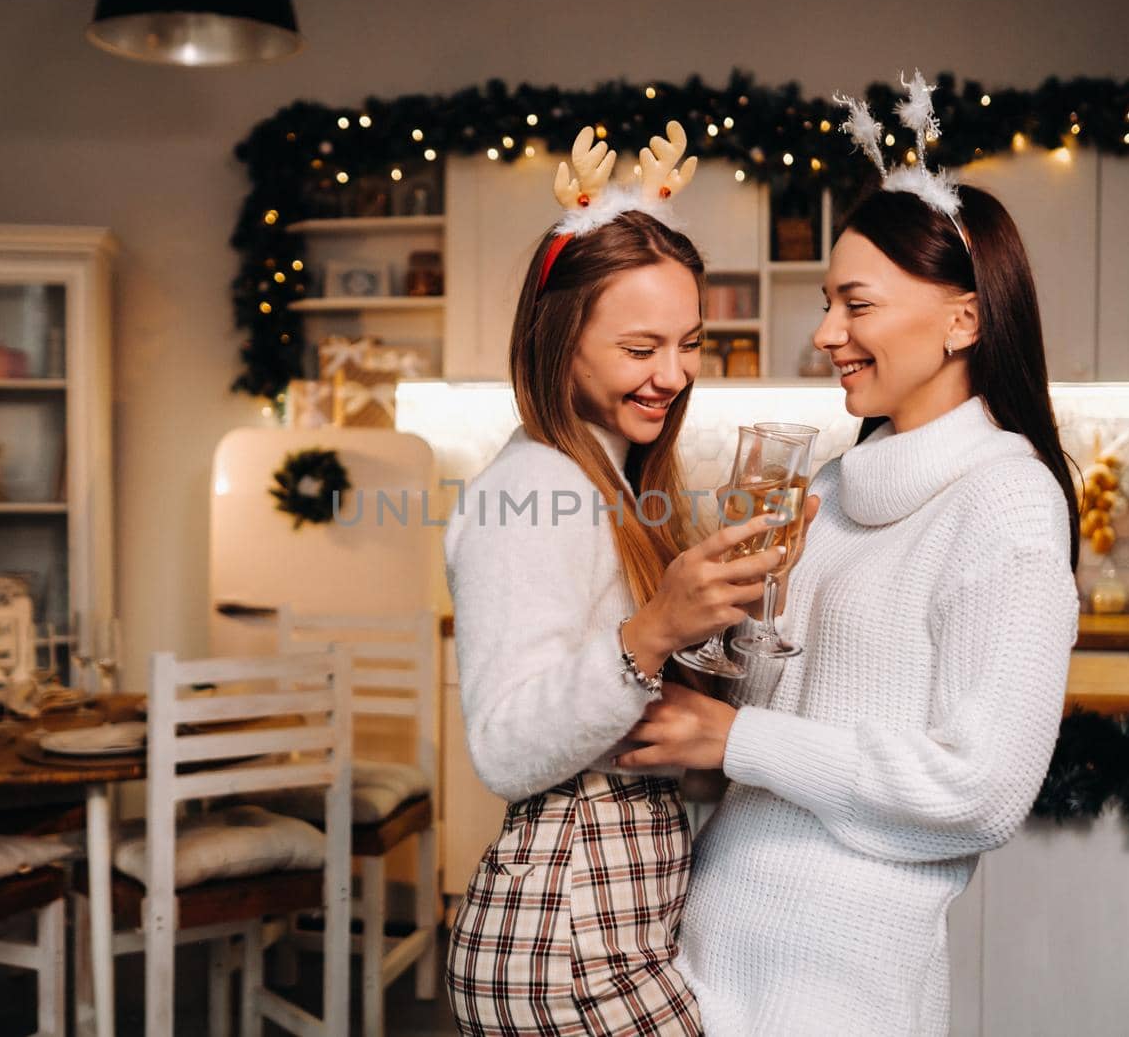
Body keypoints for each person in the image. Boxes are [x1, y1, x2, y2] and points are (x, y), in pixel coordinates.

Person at [616, 78, 1083, 1035]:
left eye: (855, 304)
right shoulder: (827, 486)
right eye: (829, 302)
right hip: (715, 945)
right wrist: (714, 643)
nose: (826, 334)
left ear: (963, 320)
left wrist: (733, 737)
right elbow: (786, 707)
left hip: (844, 983)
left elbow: (982, 788)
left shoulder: (1007, 500)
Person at [443, 122, 788, 1035]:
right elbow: (504, 748)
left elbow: (665, 726)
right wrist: (654, 632)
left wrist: (730, 619)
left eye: (689, 344)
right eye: (641, 349)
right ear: (562, 341)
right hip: (565, 944)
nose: (672, 375)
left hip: (603, 922)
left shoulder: (620, 482)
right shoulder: (532, 487)